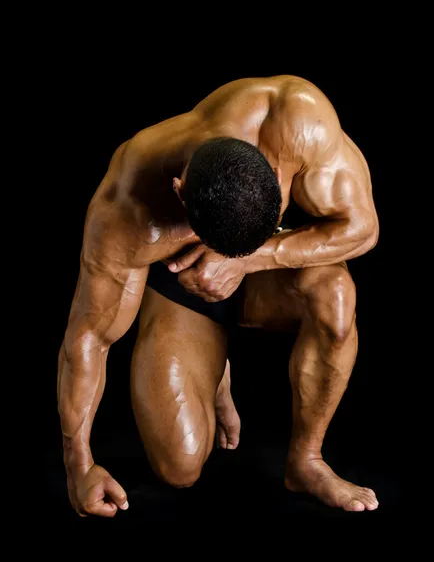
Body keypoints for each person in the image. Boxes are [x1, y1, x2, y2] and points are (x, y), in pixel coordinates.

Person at [57, 75, 380, 517]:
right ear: (178, 191)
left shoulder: (294, 119)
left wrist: (248, 259)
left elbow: (363, 229)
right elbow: (89, 337)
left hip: (264, 274)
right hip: (184, 284)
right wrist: (80, 467)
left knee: (337, 297)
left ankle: (307, 461)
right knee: (180, 467)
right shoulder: (126, 210)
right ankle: (210, 363)